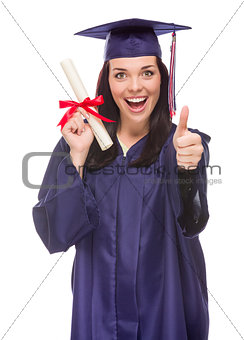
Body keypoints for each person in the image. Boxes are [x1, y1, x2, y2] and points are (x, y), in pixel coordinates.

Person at [32, 18, 211, 340]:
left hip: (166, 304)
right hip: (99, 305)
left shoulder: (184, 145)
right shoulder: (79, 142)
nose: (135, 87)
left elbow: (193, 222)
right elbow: (56, 233)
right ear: (106, 82)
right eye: (120, 75)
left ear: (162, 78)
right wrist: (77, 158)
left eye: (147, 72)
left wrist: (188, 172)